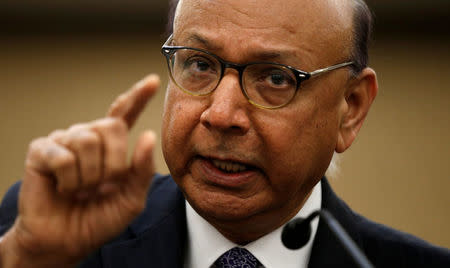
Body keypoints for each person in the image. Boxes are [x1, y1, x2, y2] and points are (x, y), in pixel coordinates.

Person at [0, 0, 449, 267]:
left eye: (275, 78)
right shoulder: (45, 238)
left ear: (350, 109)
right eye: (199, 64)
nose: (221, 114)